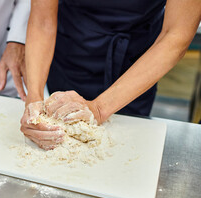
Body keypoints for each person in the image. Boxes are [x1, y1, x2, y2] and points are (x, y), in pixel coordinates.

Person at [21, 0, 201, 150]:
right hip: (71, 50)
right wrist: (34, 99)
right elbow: (42, 20)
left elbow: (176, 34)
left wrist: (98, 109)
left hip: (137, 65)